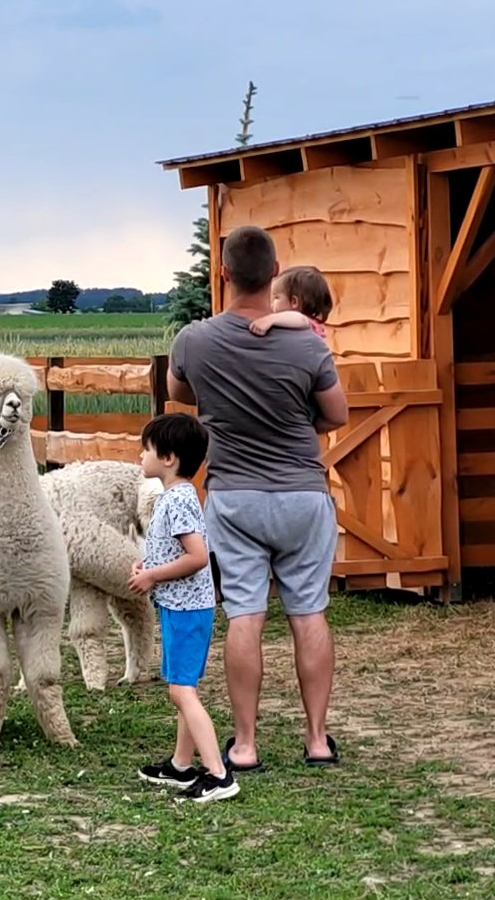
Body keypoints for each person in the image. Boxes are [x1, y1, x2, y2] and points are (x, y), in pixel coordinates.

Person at [166, 225, 349, 773]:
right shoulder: (307, 343)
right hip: (301, 496)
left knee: (245, 615)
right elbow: (337, 415)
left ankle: (244, 744)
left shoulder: (194, 340)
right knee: (308, 612)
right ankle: (317, 739)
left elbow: (178, 395)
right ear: (274, 274)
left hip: (234, 497)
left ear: (222, 274)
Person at [129, 414, 239, 804]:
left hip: (187, 610)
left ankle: (218, 774)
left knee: (181, 693)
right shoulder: (177, 497)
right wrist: (149, 565)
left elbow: (196, 557)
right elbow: (178, 551)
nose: (141, 454)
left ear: (169, 457)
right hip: (180, 607)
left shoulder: (178, 501)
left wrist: (153, 576)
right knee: (183, 687)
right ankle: (180, 765)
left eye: (147, 448)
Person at [248, 265, 332, 339]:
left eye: (277, 297)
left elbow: (299, 318)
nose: (272, 303)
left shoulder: (306, 322)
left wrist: (269, 320)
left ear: (294, 302)